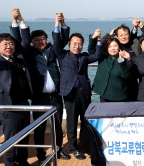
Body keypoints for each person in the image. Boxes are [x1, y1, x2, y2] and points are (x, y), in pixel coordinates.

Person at [9, 9, 71, 162]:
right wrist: (17, 20)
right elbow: (17, 40)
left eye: (42, 38)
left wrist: (60, 23)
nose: (40, 42)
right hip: (39, 97)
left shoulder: (51, 49)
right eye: (36, 39)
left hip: (55, 96)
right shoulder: (28, 53)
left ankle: (58, 150)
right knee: (40, 129)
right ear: (31, 42)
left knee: (57, 126)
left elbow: (61, 40)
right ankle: (41, 154)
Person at [0, 24, 33, 166]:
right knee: (10, 138)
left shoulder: (19, 59)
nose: (8, 47)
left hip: (23, 104)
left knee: (24, 136)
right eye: (5, 44)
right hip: (8, 106)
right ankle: (9, 163)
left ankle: (22, 161)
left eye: (11, 44)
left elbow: (25, 41)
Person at [53, 21, 103, 160]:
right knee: (71, 122)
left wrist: (98, 39)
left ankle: (84, 146)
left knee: (85, 120)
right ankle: (73, 148)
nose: (77, 46)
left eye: (80, 43)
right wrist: (58, 23)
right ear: (69, 44)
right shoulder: (62, 55)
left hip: (84, 92)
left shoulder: (84, 56)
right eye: (74, 43)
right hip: (70, 93)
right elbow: (56, 41)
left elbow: (98, 55)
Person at [90, 36, 130, 102]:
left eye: (115, 46)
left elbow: (125, 76)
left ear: (119, 47)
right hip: (104, 93)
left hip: (119, 95)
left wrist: (121, 61)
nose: (113, 48)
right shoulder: (103, 57)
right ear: (107, 48)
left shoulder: (125, 58)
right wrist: (107, 35)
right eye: (110, 46)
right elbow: (92, 50)